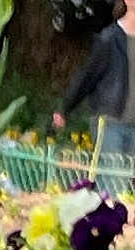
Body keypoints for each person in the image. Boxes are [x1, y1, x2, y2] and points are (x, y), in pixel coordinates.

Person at [54, 1, 135, 160]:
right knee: (112, 183)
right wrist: (64, 109)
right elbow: (87, 76)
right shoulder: (109, 38)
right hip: (111, 124)